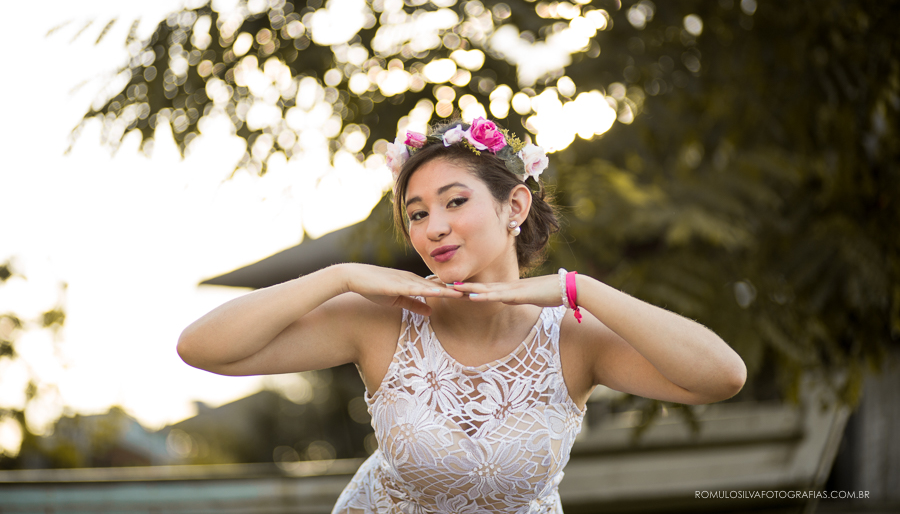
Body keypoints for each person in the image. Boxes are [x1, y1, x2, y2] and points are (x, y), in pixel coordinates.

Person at [177, 117, 747, 513]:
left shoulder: (574, 338)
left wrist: (583, 291)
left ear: (514, 205)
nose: (434, 227)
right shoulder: (383, 321)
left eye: (455, 201)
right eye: (417, 213)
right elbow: (201, 348)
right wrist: (339, 277)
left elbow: (722, 377)